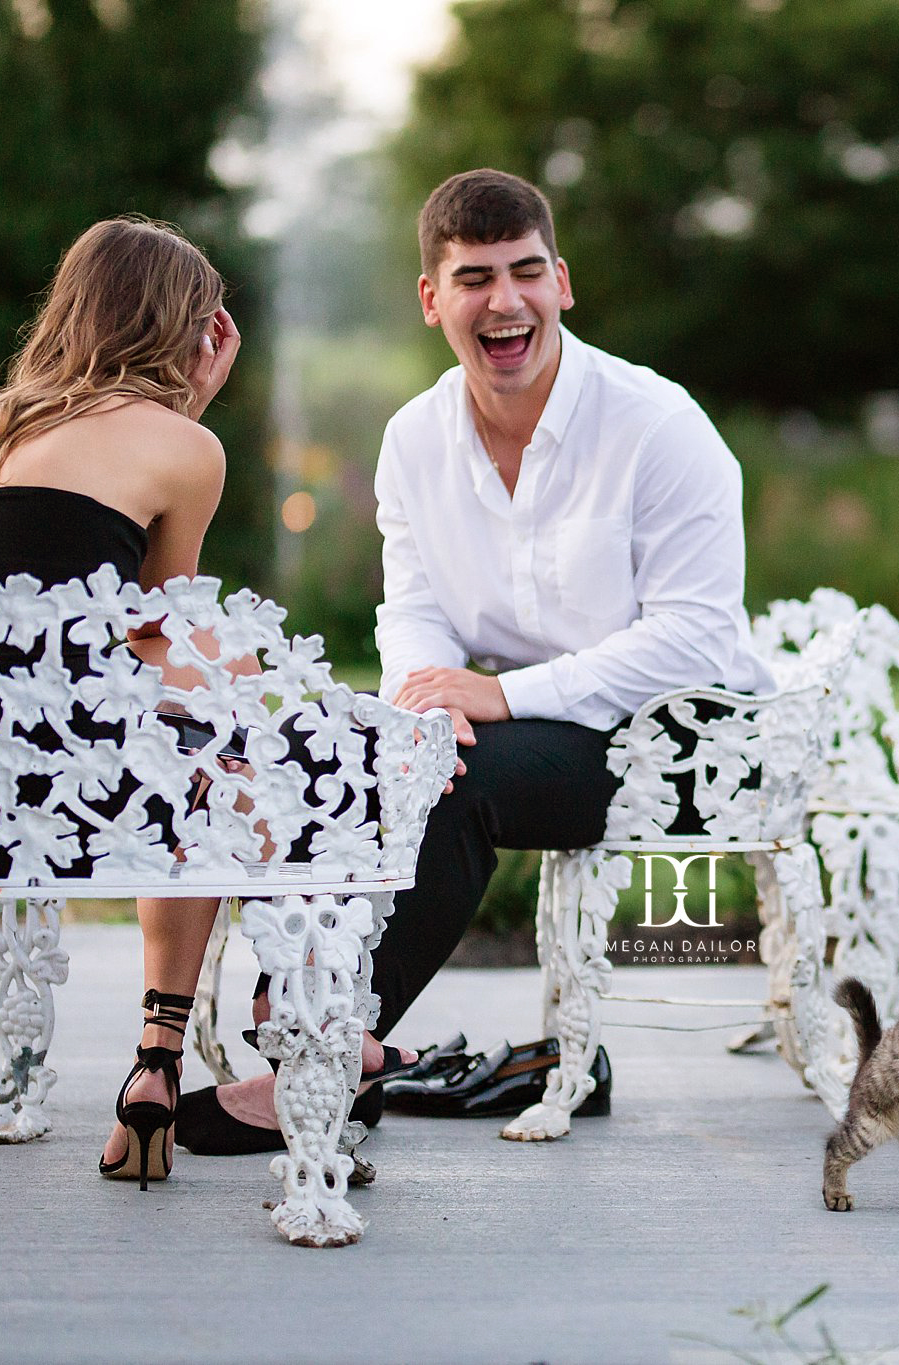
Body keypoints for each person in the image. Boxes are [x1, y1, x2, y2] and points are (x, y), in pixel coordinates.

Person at [177, 168, 774, 1146]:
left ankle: (323, 1058)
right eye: (474, 278)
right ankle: (319, 1034)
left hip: (685, 739)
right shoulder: (413, 439)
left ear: (562, 284)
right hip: (528, 731)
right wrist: (423, 698)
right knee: (349, 750)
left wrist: (495, 699)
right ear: (431, 299)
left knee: (452, 780)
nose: (505, 301)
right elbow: (412, 610)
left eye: (525, 272)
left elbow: (695, 640)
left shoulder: (659, 426)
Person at [0, 215, 259, 1187]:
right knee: (224, 743)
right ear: (186, 330)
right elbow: (160, 628)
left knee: (203, 718)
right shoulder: (179, 447)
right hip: (65, 792)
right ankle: (159, 1057)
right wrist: (192, 416)